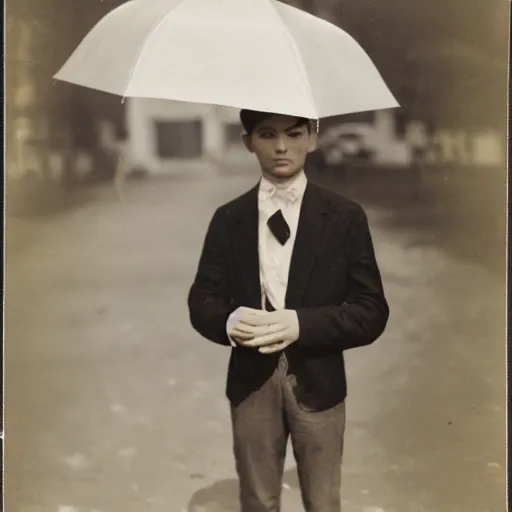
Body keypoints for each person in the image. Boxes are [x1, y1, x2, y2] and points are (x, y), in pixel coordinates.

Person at [187, 109, 389, 512]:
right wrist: (230, 322)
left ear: (313, 138)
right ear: (248, 142)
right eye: (267, 134)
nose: (281, 147)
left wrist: (301, 323)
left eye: (294, 134)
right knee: (259, 499)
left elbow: (371, 311)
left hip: (319, 382)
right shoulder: (229, 219)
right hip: (251, 380)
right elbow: (202, 300)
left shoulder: (345, 217)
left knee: (323, 500)